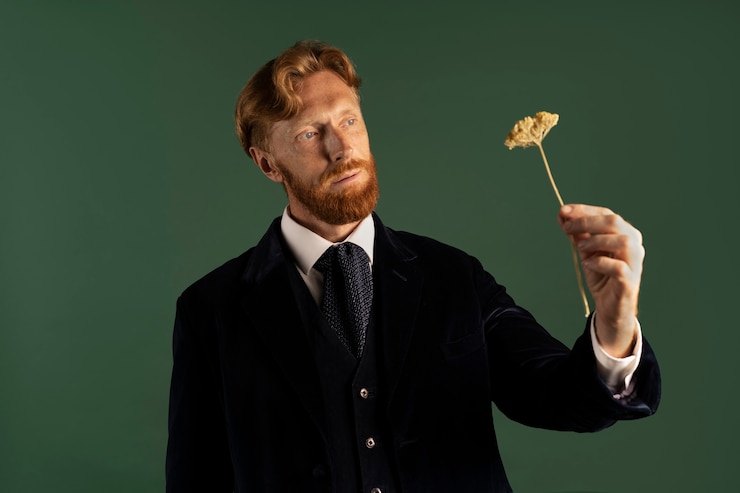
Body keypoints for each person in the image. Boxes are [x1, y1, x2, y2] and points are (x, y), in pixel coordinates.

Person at [165, 40, 661, 493]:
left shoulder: (455, 277)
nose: (341, 149)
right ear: (268, 164)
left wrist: (614, 326)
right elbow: (196, 479)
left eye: (349, 121)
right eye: (310, 133)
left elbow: (560, 396)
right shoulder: (209, 310)